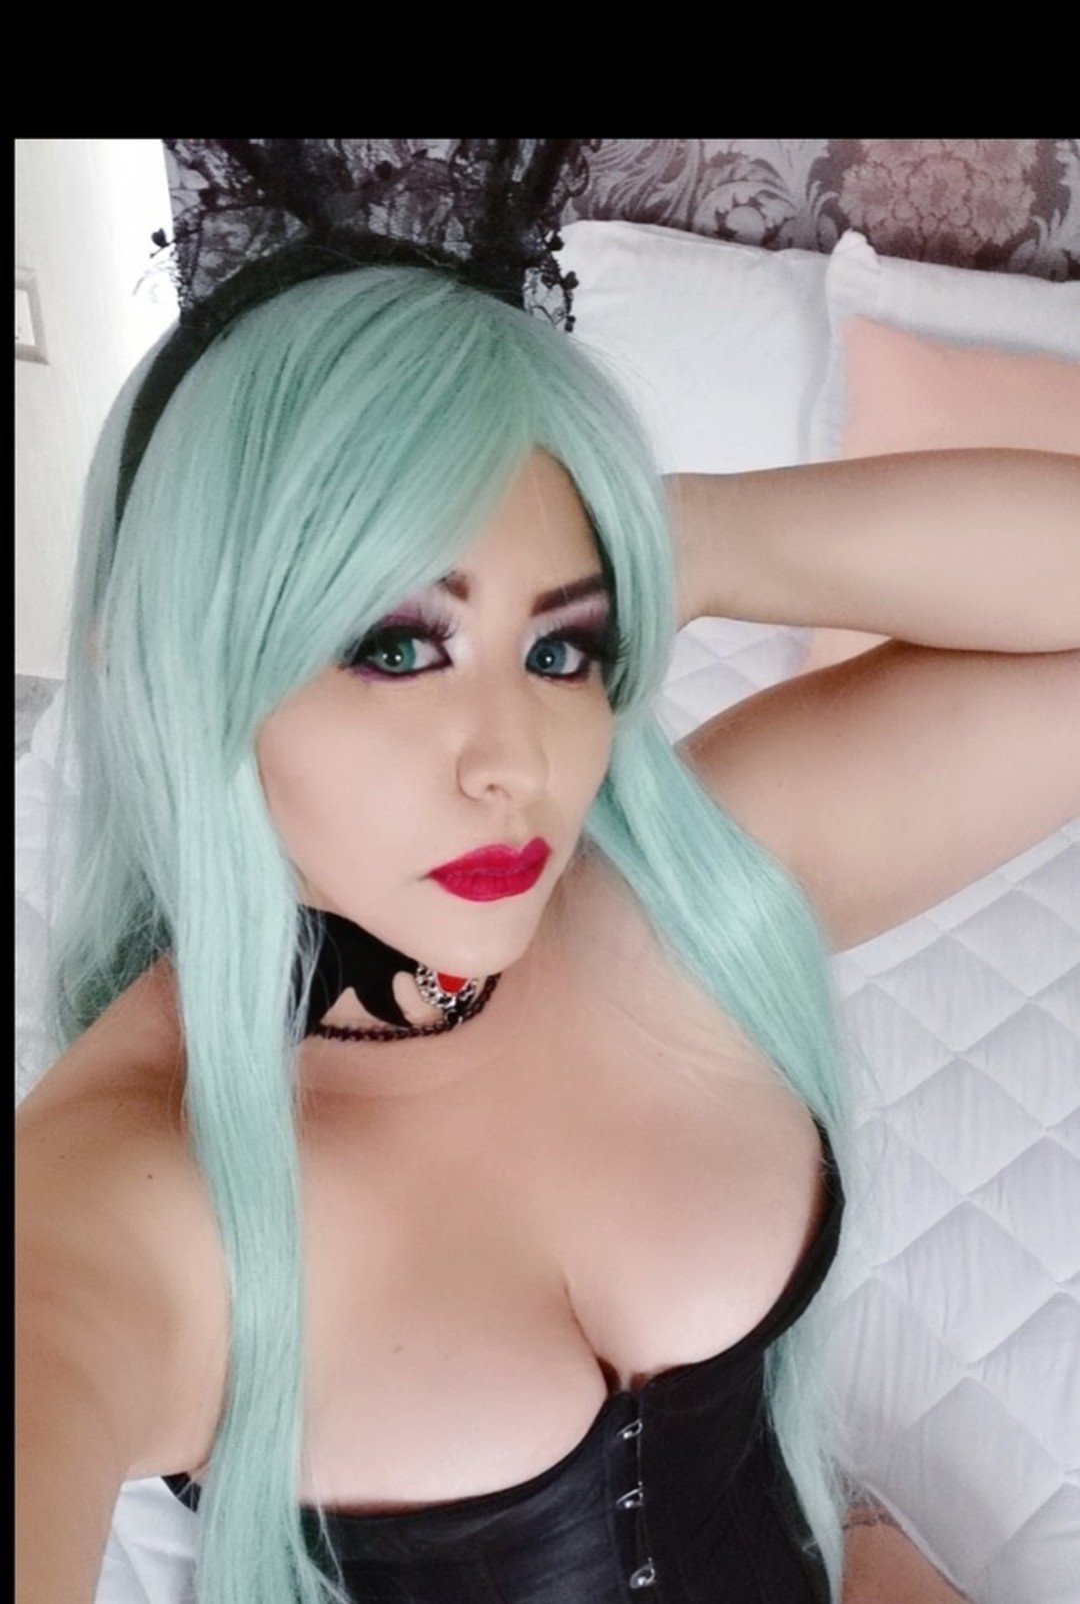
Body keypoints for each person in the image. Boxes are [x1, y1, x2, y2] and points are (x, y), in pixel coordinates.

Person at [16, 251, 1079, 1604]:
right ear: (163, 663)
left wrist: (669, 536)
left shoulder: (690, 895)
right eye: (398, 648)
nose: (513, 764)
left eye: (560, 648)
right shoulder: (123, 1192)